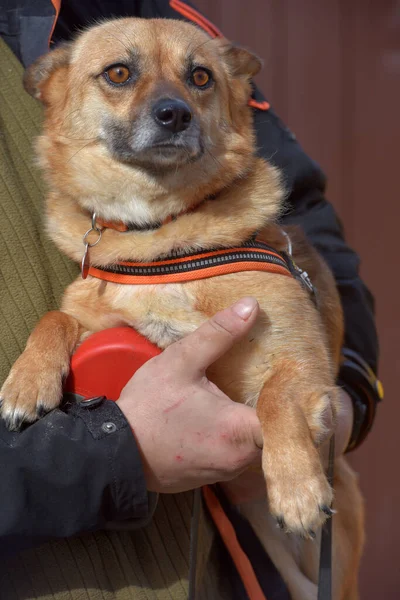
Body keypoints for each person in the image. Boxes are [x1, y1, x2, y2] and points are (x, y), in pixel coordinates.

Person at [0, 1, 381, 598]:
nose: (171, 104)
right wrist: (113, 454)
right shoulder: (92, 241)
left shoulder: (142, 10)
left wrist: (348, 391)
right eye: (120, 77)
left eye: (197, 79)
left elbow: (311, 223)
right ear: (55, 93)